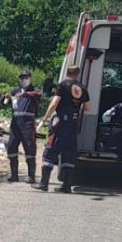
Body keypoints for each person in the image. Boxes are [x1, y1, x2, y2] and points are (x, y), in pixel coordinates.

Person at [33, 65, 88, 193]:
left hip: (61, 123)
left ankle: (44, 183)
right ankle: (66, 186)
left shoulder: (63, 85)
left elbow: (54, 103)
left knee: (50, 151)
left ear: (67, 72)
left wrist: (45, 118)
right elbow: (87, 107)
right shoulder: (82, 88)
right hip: (73, 125)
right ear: (78, 74)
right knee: (69, 153)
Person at [0, 69, 42, 183]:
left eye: (26, 77)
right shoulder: (15, 90)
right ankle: (14, 175)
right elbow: (4, 102)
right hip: (15, 123)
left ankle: (31, 176)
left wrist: (24, 94)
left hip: (27, 123)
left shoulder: (34, 90)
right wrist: (4, 97)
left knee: (29, 147)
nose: (24, 80)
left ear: (30, 78)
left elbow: (39, 95)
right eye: (22, 78)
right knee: (12, 146)